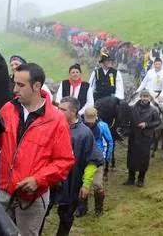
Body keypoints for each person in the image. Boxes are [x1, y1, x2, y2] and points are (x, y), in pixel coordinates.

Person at [0, 63, 75, 236]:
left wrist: (38, 179)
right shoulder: (7, 110)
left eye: (21, 85)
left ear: (37, 86)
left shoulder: (56, 120)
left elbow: (65, 161)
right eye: (14, 83)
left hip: (33, 197)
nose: (14, 90)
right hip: (2, 191)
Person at [46, 97, 102, 236]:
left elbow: (92, 160)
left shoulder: (84, 133)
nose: (59, 111)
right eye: (58, 108)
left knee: (66, 216)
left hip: (72, 181)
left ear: (74, 112)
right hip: (49, 178)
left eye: (63, 110)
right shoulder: (52, 126)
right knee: (41, 212)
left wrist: (86, 184)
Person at [79, 106, 113, 217]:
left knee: (97, 184)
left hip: (97, 159)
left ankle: (99, 210)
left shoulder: (103, 126)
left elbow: (109, 142)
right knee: (82, 184)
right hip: (83, 159)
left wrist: (106, 158)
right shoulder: (80, 125)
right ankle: (82, 209)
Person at [124, 91, 161, 187]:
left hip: (146, 138)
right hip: (133, 137)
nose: (145, 98)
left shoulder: (153, 110)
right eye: (143, 96)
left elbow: (158, 122)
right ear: (140, 97)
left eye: (147, 97)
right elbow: (128, 121)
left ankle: (141, 179)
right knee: (131, 157)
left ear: (150, 98)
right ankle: (130, 178)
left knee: (144, 158)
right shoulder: (133, 108)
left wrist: (147, 125)